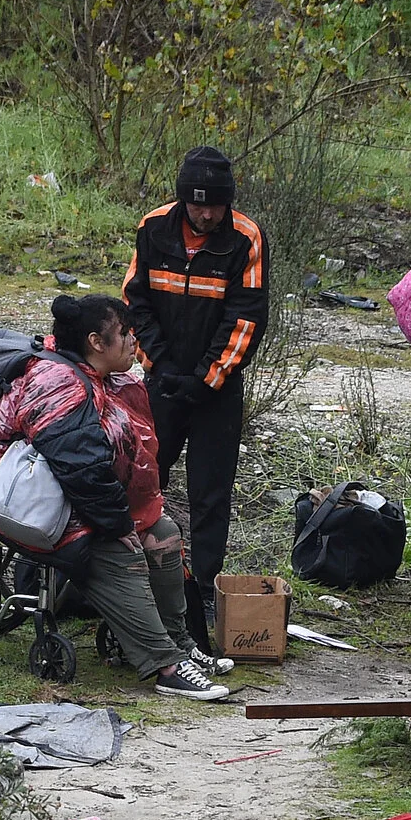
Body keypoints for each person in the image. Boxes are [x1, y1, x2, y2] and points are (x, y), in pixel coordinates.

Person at [0, 295, 231, 702]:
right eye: (125, 334)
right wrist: (117, 524)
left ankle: (180, 644)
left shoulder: (96, 378)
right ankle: (165, 666)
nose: (135, 341)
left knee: (163, 533)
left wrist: (132, 518)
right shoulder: (59, 384)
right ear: (97, 342)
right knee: (118, 548)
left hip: (67, 494)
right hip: (27, 501)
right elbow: (81, 468)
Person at [122, 145, 267, 656]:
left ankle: (203, 590)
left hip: (216, 392)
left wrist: (207, 378)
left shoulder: (246, 238)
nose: (205, 215)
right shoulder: (154, 228)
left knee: (210, 494)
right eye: (197, 205)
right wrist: (157, 363)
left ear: (228, 204)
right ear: (182, 199)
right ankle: (131, 583)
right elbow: (134, 301)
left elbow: (246, 318)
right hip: (160, 383)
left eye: (215, 207)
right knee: (143, 482)